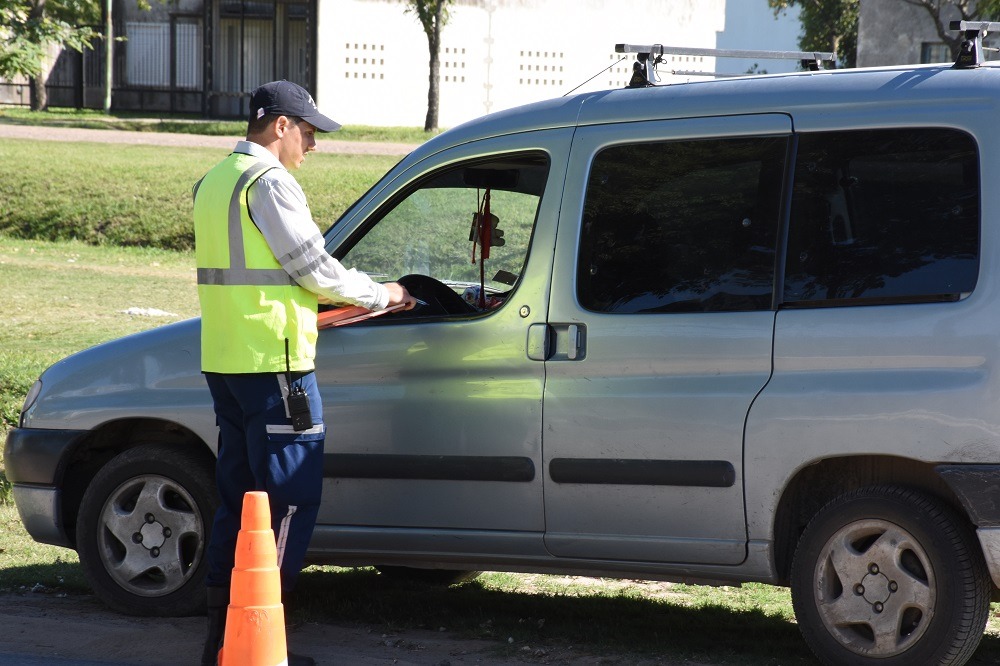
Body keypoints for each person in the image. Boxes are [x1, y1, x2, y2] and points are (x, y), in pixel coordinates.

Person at [193, 79, 416, 666]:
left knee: (238, 501)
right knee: (289, 500)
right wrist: (383, 295)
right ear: (280, 126)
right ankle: (261, 639)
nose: (314, 145)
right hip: (277, 367)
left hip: (227, 361)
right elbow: (312, 268)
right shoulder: (268, 183)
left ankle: (220, 644)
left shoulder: (215, 181)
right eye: (310, 131)